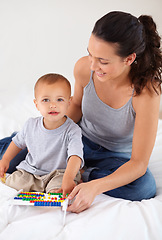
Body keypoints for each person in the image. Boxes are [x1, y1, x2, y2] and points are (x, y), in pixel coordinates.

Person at [0, 11, 162, 213]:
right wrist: (49, 135)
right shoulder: (85, 68)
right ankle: (63, 164)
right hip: (78, 139)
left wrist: (94, 187)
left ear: (129, 59)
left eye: (103, 61)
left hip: (113, 158)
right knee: (8, 156)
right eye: (90, 54)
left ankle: (83, 173)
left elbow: (138, 163)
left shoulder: (146, 93)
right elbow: (75, 106)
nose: (93, 65)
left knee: (143, 187)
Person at [0, 73, 84, 196]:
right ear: (36, 104)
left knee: (58, 191)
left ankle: (65, 184)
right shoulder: (30, 125)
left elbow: (75, 156)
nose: (53, 105)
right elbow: (17, 143)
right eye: (45, 100)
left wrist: (69, 177)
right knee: (14, 182)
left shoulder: (72, 130)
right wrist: (5, 159)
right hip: (32, 172)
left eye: (60, 99)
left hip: (59, 173)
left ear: (69, 102)